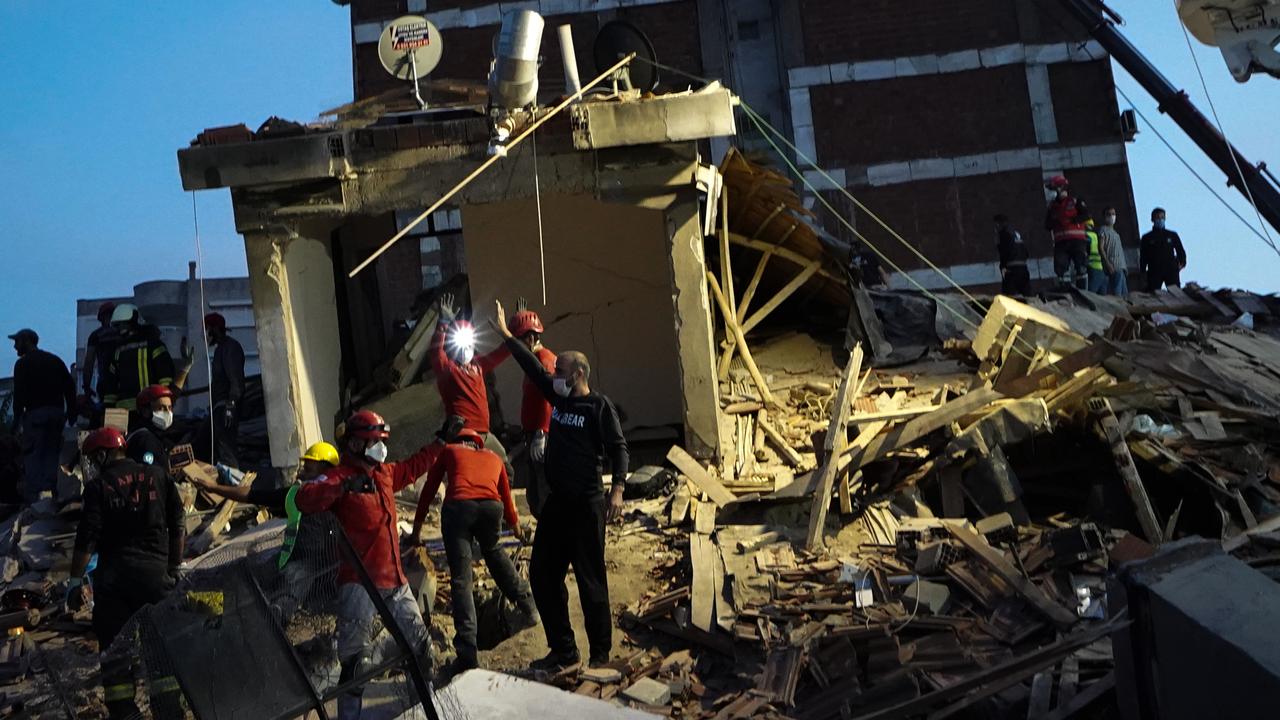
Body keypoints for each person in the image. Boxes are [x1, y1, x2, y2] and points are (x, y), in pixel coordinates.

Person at [491, 300, 629, 671]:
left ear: (578, 374)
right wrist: (507, 336)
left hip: (587, 504)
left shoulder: (598, 407)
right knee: (541, 573)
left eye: (561, 371)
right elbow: (532, 367)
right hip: (557, 504)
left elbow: (619, 448)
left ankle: (600, 653)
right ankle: (564, 649)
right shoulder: (557, 397)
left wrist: (617, 489)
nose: (555, 375)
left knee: (590, 579)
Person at [284, 410, 449, 719]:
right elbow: (306, 498)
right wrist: (343, 488)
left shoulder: (384, 474)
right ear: (357, 444)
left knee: (421, 648)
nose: (380, 448)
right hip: (359, 585)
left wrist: (440, 441)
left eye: (382, 441)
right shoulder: (339, 476)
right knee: (356, 665)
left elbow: (414, 467)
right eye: (374, 441)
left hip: (395, 582)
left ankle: (427, 709)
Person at [68, 427, 185, 719]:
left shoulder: (98, 487)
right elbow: (178, 524)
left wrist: (73, 582)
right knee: (161, 650)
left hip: (114, 586)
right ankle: (168, 711)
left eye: (95, 458)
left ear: (104, 454)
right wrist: (173, 566)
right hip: (157, 580)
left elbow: (87, 539)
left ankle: (125, 713)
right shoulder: (158, 476)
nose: (94, 465)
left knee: (116, 656)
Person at [411, 427, 537, 674]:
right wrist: (516, 529)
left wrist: (416, 531)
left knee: (461, 578)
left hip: (459, 508)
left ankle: (467, 653)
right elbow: (506, 499)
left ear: (459, 441)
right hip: (492, 509)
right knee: (494, 552)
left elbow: (428, 490)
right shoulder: (493, 457)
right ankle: (529, 606)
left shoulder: (449, 450)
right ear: (478, 443)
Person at [429, 293, 512, 468]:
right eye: (461, 341)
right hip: (461, 434)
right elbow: (435, 353)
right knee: (467, 470)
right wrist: (442, 324)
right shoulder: (448, 369)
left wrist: (509, 331)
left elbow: (503, 352)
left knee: (504, 467)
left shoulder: (479, 365)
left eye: (469, 341)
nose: (465, 347)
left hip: (484, 433)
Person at [9, 328, 75, 503]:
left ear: (27, 341)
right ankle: (51, 495)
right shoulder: (54, 361)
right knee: (52, 455)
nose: (15, 347)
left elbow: (19, 396)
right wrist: (72, 412)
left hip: (35, 417)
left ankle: (36, 501)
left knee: (34, 457)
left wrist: (15, 423)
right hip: (56, 416)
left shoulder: (23, 364)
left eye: (17, 342)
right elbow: (70, 386)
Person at [509, 300, 556, 518]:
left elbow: (548, 398)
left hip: (542, 436)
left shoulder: (544, 361)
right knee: (535, 492)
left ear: (530, 339)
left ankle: (556, 535)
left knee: (545, 488)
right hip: (533, 435)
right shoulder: (535, 360)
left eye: (519, 342)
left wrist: (541, 432)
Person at [100, 304, 175, 411]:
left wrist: (107, 408)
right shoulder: (154, 345)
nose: (120, 329)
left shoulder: (117, 351)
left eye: (122, 325)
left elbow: (110, 386)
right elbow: (166, 377)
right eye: (118, 325)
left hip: (126, 413)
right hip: (150, 408)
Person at [204, 312, 245, 468]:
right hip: (219, 408)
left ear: (214, 329)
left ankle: (233, 487)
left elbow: (235, 379)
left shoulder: (230, 348)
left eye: (207, 330)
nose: (206, 335)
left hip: (226, 408)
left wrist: (230, 406)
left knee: (226, 450)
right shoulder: (221, 349)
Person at [1043, 175, 1089, 289]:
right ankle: (1065, 292)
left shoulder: (1075, 201)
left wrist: (1071, 221)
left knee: (1081, 268)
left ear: (1061, 187)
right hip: (1061, 243)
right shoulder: (1052, 207)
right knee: (1060, 270)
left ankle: (1083, 292)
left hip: (1077, 241)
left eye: (1054, 189)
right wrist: (1055, 221)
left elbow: (1086, 215)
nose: (1052, 192)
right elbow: (1047, 225)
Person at [127, 384, 179, 471]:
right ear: (145, 411)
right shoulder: (144, 439)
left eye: (169, 408)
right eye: (161, 408)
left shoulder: (157, 435)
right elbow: (154, 474)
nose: (168, 413)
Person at [81, 302, 119, 409]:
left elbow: (89, 362)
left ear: (100, 318)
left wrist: (87, 386)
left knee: (109, 418)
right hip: (125, 383)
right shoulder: (122, 333)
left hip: (106, 384)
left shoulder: (95, 336)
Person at [1139, 207, 1187, 292]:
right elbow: (1143, 256)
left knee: (1176, 294)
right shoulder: (1147, 237)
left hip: (1171, 269)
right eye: (1157, 217)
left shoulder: (1172, 235)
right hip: (1154, 270)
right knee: (1152, 294)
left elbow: (1180, 251)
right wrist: (1143, 271)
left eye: (1162, 217)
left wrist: (1181, 264)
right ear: (1152, 219)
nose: (1160, 220)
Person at [994, 214, 1031, 295]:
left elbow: (1004, 252)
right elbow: (1026, 252)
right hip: (1023, 268)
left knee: (1009, 296)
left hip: (1012, 270)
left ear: (998, 224)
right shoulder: (1015, 234)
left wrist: (1003, 266)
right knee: (1027, 295)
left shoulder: (1004, 234)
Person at [1098, 207, 1129, 297]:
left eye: (1113, 214)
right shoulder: (1103, 230)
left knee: (1125, 295)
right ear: (1104, 217)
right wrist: (1108, 264)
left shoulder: (1116, 234)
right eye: (1109, 214)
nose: (1112, 216)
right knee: (1117, 294)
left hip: (1121, 267)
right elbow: (1101, 248)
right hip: (1113, 266)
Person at [1085, 218, 1107, 293]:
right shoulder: (1095, 235)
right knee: (1102, 296)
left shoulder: (1086, 236)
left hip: (1092, 267)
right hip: (1101, 268)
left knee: (1091, 294)